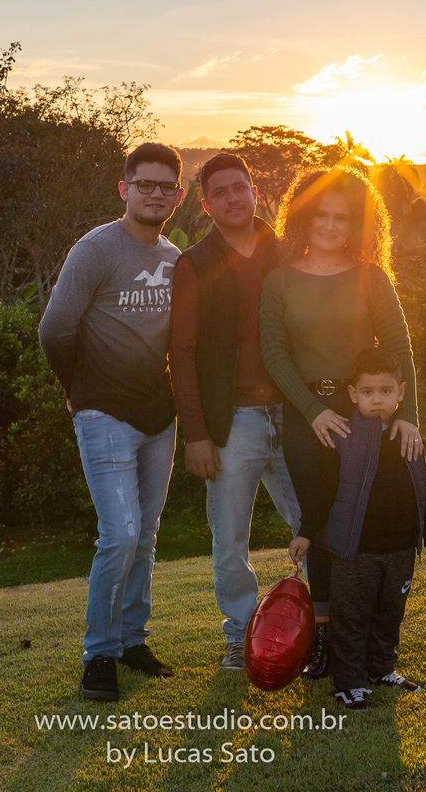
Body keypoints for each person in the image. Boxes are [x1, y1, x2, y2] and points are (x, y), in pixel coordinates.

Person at [260, 166, 423, 679]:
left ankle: (367, 643)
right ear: (303, 217)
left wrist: (408, 418)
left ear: (357, 225)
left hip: (361, 420)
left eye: (342, 218)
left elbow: (399, 350)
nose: (330, 226)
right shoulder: (279, 281)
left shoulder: (371, 278)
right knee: (321, 526)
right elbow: (274, 352)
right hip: (307, 419)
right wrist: (312, 411)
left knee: (360, 532)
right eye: (320, 215)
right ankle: (326, 642)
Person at [38, 142, 186, 702]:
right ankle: (98, 656)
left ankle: (130, 639)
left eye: (164, 186)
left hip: (157, 416)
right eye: (143, 184)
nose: (154, 194)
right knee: (119, 534)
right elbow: (55, 330)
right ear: (124, 189)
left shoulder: (174, 260)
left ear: (178, 194)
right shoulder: (96, 250)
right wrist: (76, 390)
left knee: (144, 535)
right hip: (104, 413)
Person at [169, 153, 301, 671]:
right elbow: (179, 353)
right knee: (231, 542)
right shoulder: (194, 264)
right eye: (219, 191)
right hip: (231, 425)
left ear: (254, 192)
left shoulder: (288, 252)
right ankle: (239, 636)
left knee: (318, 524)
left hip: (294, 416)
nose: (232, 198)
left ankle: (325, 626)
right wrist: (196, 433)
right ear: (205, 204)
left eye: (239, 187)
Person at [288, 347, 426, 710]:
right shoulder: (341, 437)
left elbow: (424, 490)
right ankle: (349, 682)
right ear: (354, 394)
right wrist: (306, 533)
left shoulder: (408, 437)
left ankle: (381, 668)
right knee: (352, 618)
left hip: (401, 550)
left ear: (401, 393)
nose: (377, 400)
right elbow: (323, 492)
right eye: (368, 392)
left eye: (386, 392)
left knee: (390, 614)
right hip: (354, 552)